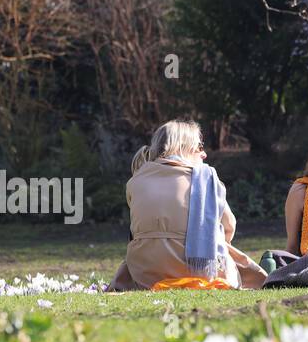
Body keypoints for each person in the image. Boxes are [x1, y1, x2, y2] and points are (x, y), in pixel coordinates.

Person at [110, 120, 266, 291]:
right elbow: (229, 227)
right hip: (197, 272)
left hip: (145, 274)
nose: (204, 154)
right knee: (238, 262)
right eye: (200, 146)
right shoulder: (207, 178)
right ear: (184, 146)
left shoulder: (135, 181)